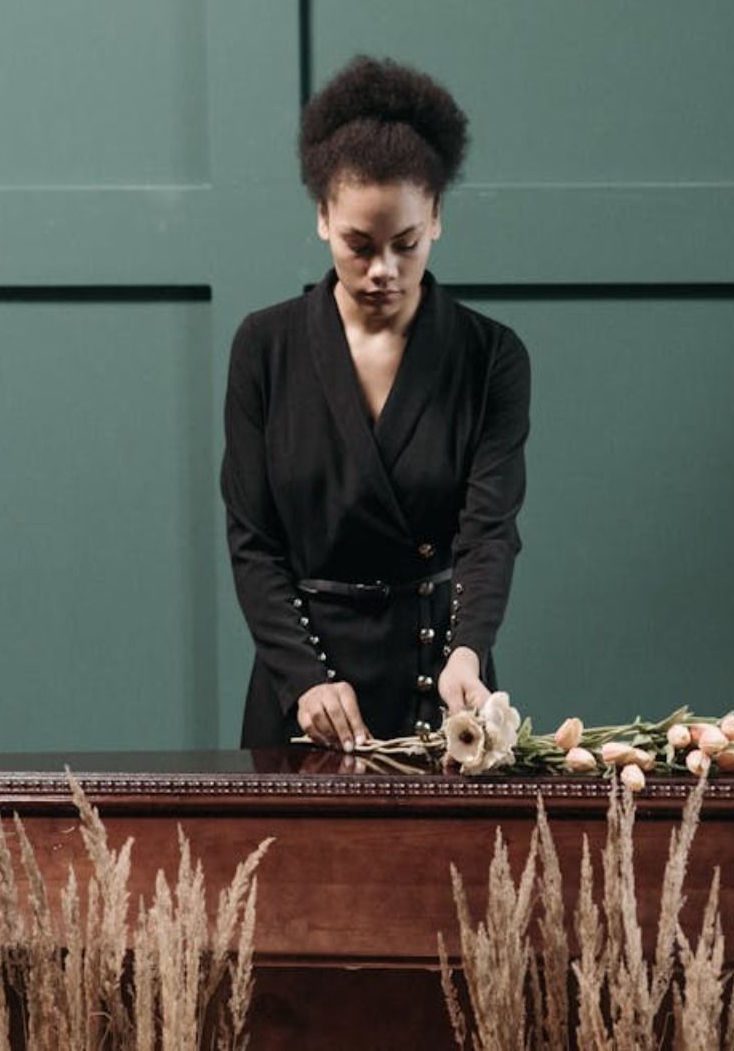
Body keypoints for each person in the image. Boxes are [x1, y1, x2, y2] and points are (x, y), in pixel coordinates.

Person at [221, 56, 530, 750]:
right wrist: (304, 680)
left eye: (407, 244)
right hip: (302, 701)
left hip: (446, 693)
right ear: (323, 219)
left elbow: (489, 533)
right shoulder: (264, 348)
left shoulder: (491, 357)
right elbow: (254, 544)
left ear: (438, 220)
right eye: (360, 246)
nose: (383, 270)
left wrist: (468, 654)